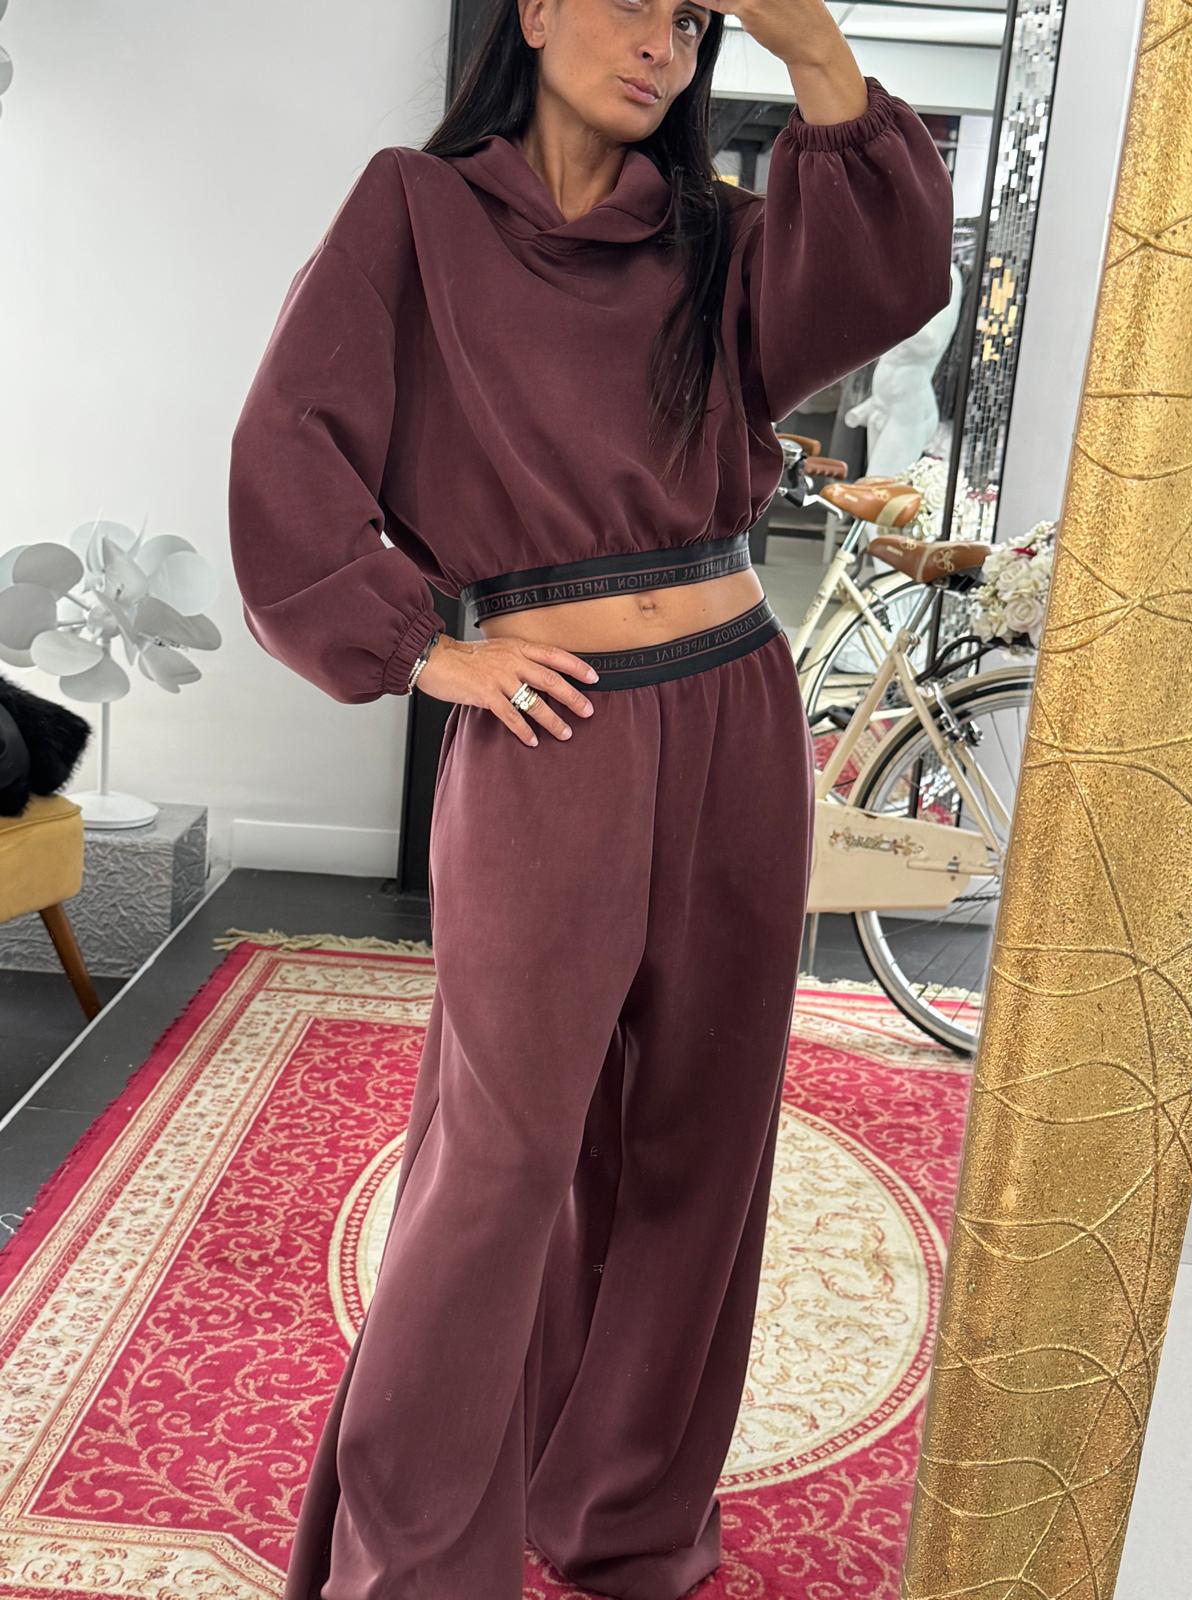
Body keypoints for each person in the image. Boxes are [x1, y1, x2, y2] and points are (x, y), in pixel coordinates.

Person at [227, 1, 955, 1594]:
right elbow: (289, 452)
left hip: (737, 711)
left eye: (692, 22)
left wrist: (810, 44)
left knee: (704, 1135)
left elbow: (890, 281)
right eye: (632, 2)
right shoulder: (414, 210)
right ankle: (412, 1567)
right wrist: (427, 651)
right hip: (551, 728)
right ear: (538, 7)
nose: (663, 46)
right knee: (498, 1164)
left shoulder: (713, 240)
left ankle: (622, 1520)